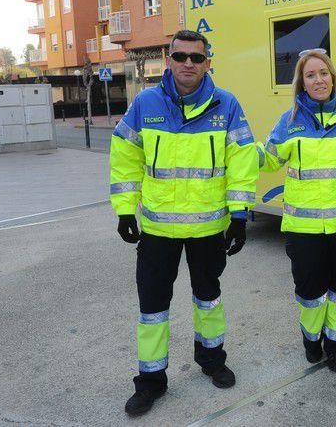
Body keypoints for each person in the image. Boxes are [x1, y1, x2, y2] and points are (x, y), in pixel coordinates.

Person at [109, 30, 259, 416]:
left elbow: (242, 162)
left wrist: (240, 215)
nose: (188, 64)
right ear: (169, 59)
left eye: (196, 57)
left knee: (209, 300)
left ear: (208, 61)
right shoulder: (145, 103)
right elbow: (125, 156)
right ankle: (151, 381)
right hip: (158, 232)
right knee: (152, 309)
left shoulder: (227, 105)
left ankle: (211, 360)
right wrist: (125, 209)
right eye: (181, 57)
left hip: (209, 229)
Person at [258, 49, 336, 372]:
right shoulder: (289, 123)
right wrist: (234, 148)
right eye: (311, 75)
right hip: (304, 229)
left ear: (333, 77)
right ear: (301, 83)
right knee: (309, 291)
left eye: (324, 73)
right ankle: (311, 339)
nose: (319, 80)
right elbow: (268, 159)